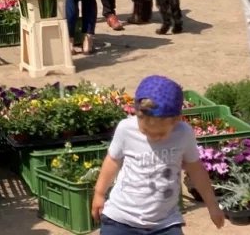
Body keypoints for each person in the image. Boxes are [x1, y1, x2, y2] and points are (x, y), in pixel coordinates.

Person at [90, 75, 227, 233]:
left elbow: (196, 169)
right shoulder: (126, 129)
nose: (154, 137)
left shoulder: (183, 133)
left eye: (161, 134)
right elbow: (112, 161)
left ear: (176, 120)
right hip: (121, 218)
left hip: (165, 222)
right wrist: (99, 193)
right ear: (136, 113)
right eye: (146, 131)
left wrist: (212, 204)